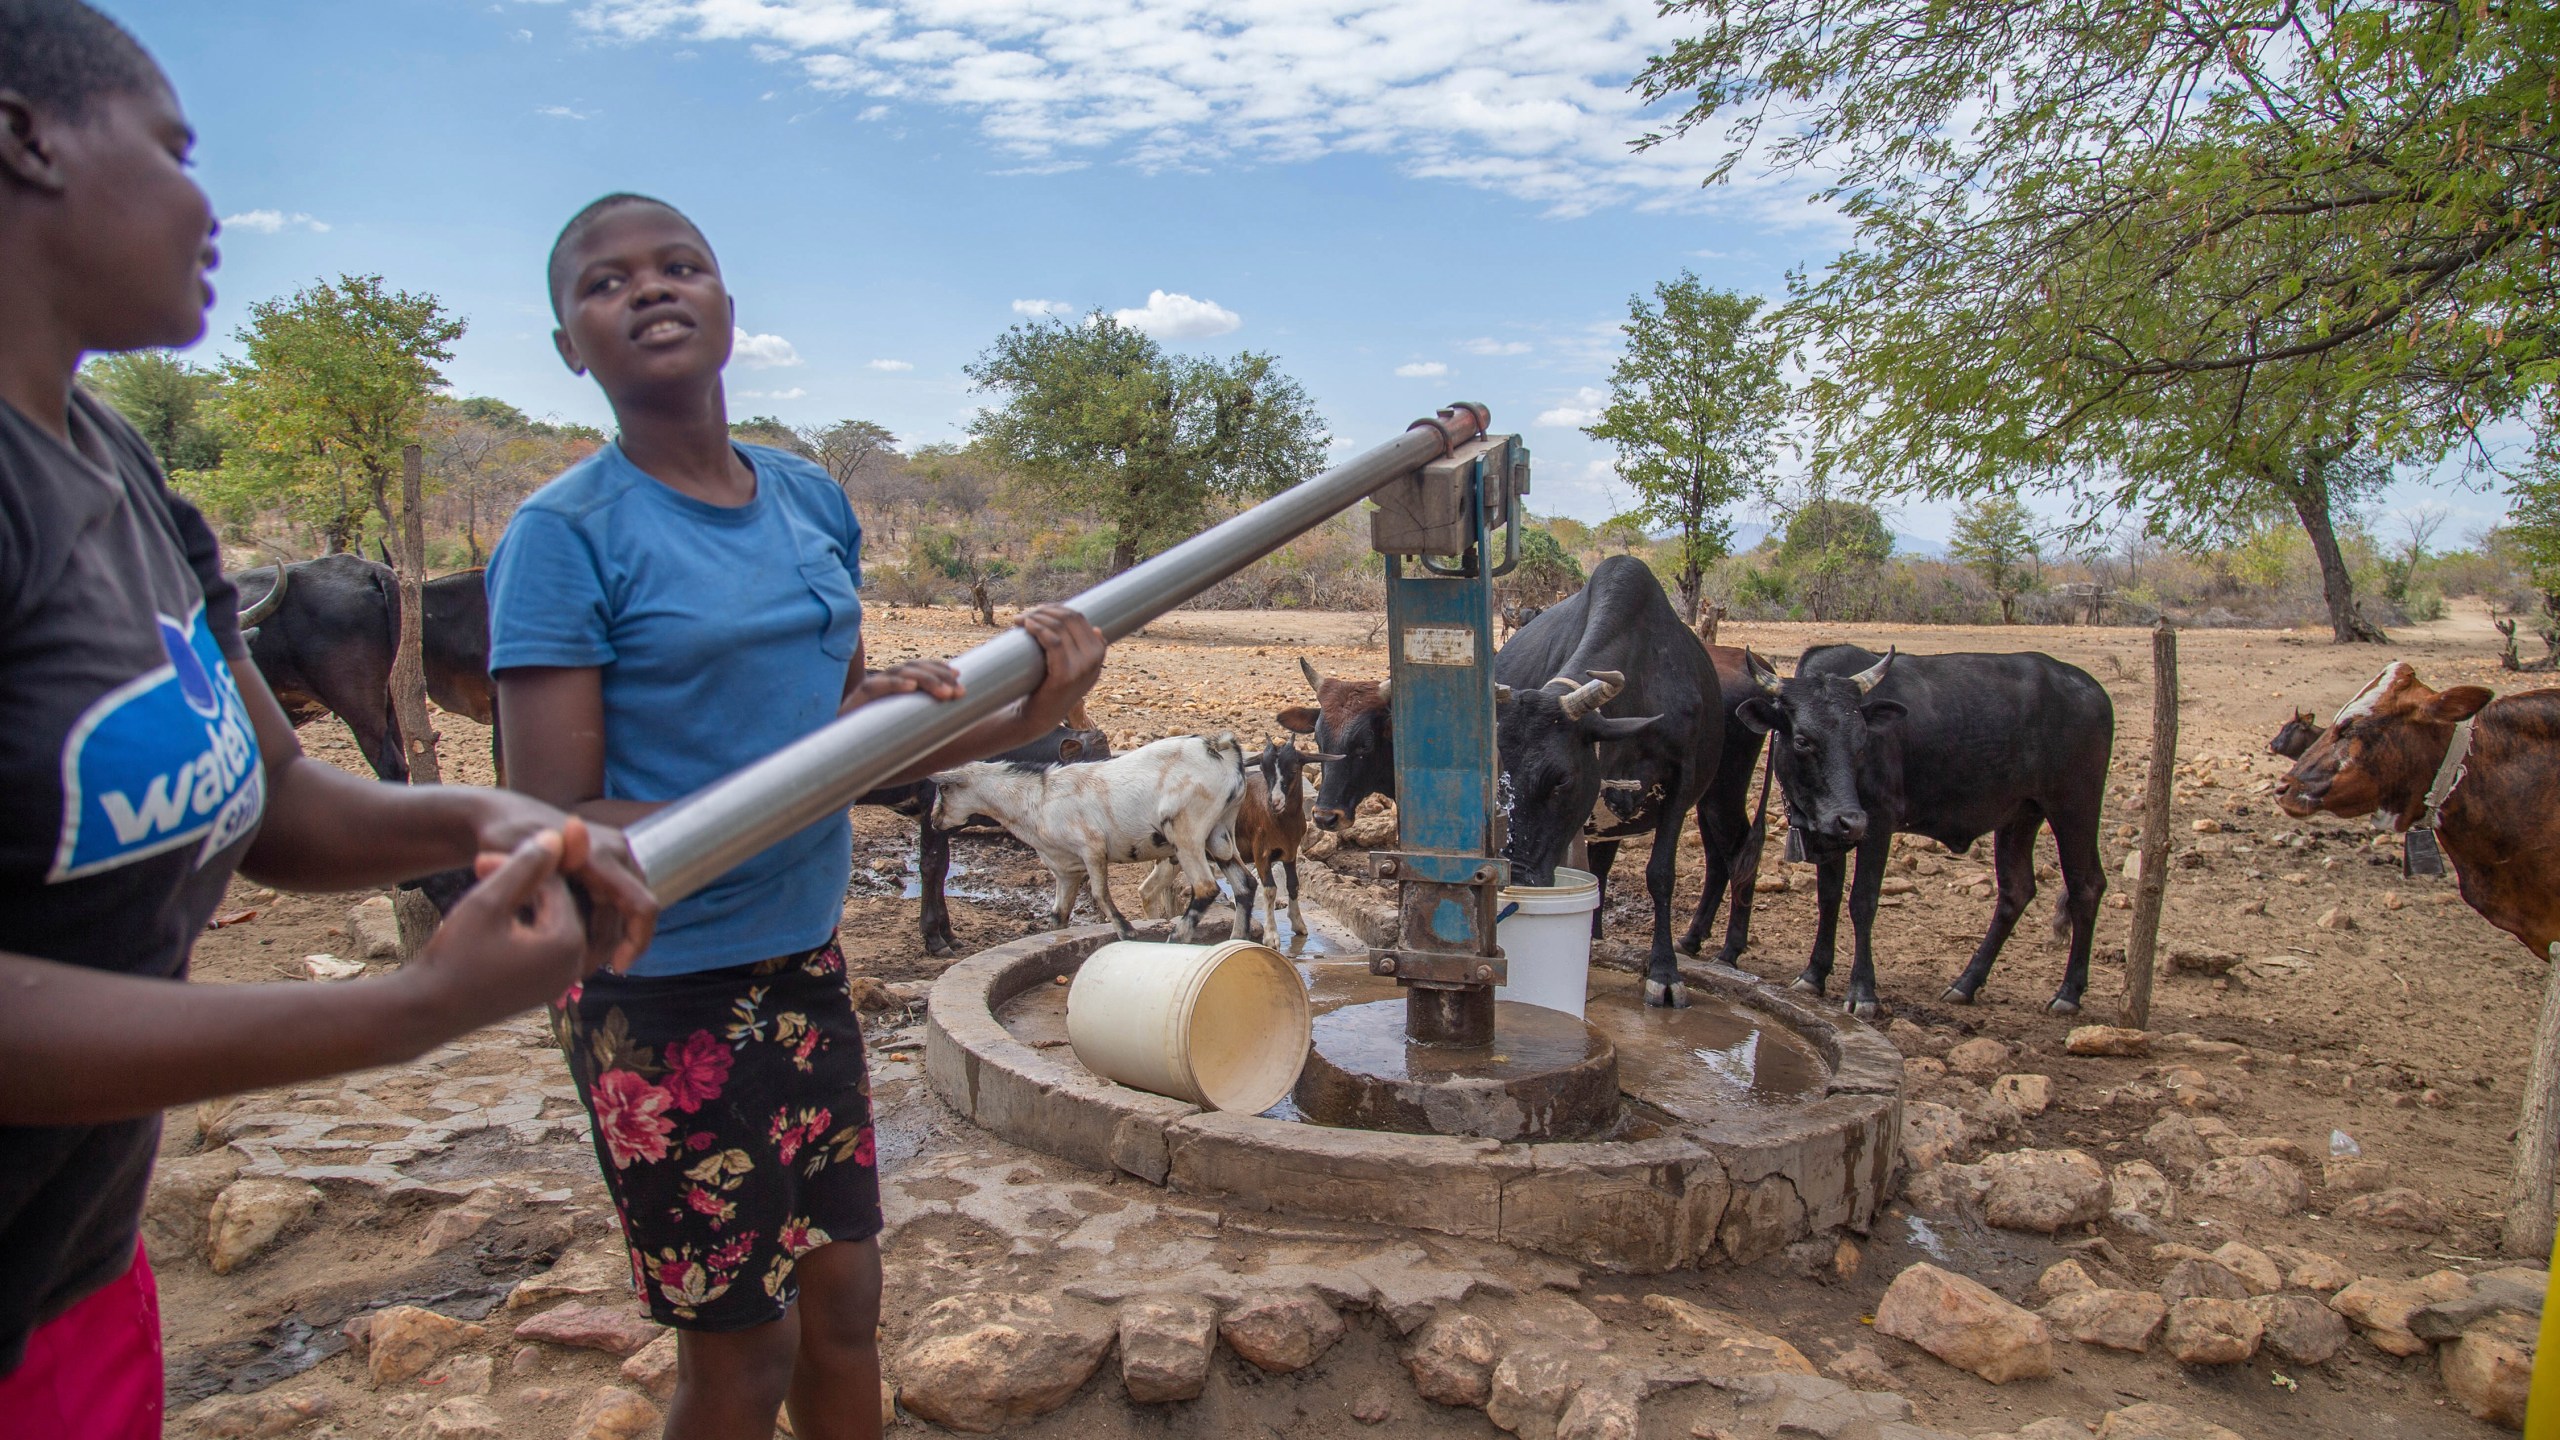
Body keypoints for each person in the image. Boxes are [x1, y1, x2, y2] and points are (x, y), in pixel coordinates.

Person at [0, 4, 660, 1436]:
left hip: (68, 1263)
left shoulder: (112, 462)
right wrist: (407, 1011)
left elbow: (276, 799)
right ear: (24, 138)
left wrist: (489, 816)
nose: (209, 201)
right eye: (176, 149)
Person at [493, 192, 1106, 1440]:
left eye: (681, 265)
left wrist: (1045, 703)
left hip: (800, 961)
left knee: (846, 1310)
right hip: (657, 988)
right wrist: (821, 750)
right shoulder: (564, 537)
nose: (650, 290)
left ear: (727, 303)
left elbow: (860, 748)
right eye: (604, 284)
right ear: (569, 346)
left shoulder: (809, 500)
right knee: (743, 1353)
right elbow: (554, 817)